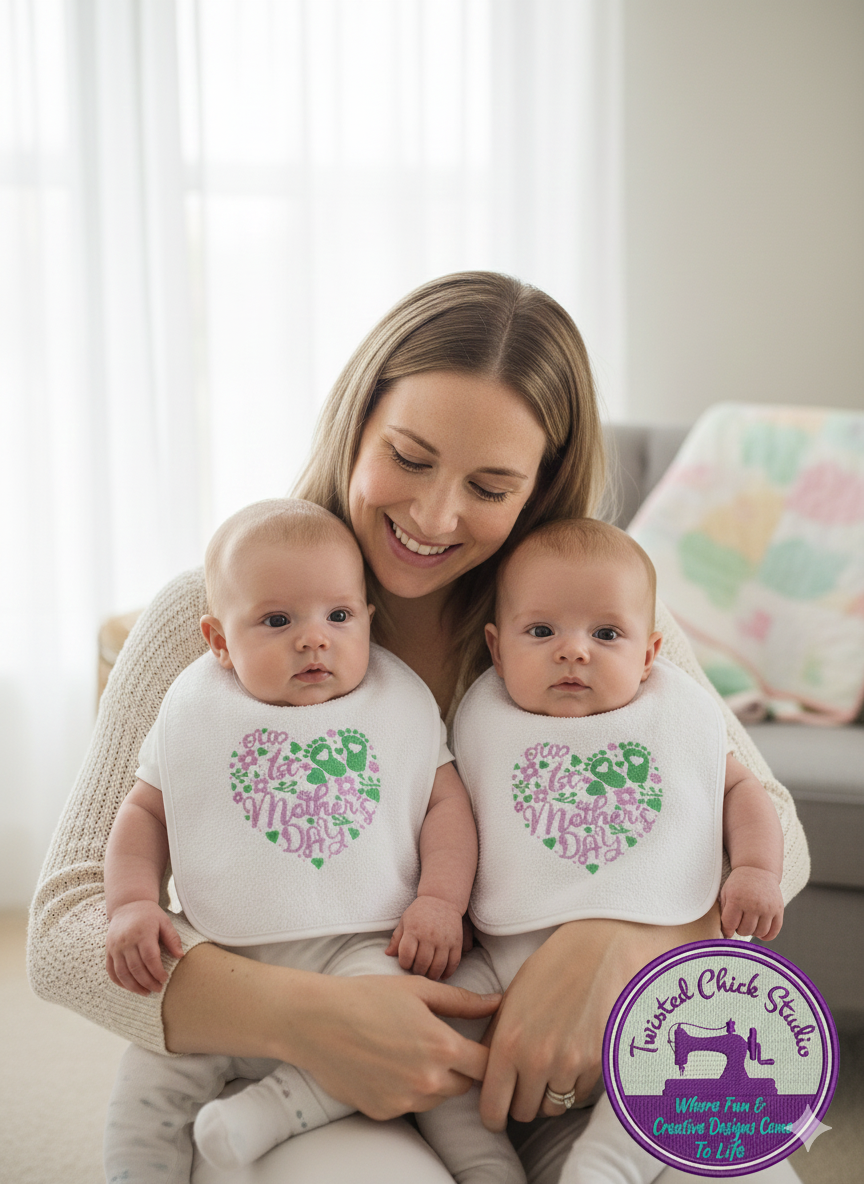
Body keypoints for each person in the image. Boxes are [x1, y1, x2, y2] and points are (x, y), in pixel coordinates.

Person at [29, 272, 809, 1183]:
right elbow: (63, 929)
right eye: (408, 456)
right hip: (321, 1080)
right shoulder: (211, 618)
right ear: (356, 424)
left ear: (540, 488)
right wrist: (312, 1018)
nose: (435, 515)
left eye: (489, 485)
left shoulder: (593, 620)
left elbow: (775, 831)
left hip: (578, 1074)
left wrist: (628, 950)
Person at [102, 496, 522, 1183]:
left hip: (360, 952)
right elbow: (143, 815)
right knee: (147, 1081)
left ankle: (486, 1170)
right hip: (224, 963)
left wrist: (441, 902)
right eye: (276, 621)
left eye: (338, 616)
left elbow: (446, 809)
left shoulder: (395, 704)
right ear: (218, 640)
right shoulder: (199, 710)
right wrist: (132, 905)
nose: (313, 638)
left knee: (429, 1051)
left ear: (367, 619)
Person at [453, 516, 785, 1183]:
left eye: (606, 634)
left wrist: (754, 869)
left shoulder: (673, 713)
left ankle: (607, 1165)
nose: (573, 651)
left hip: (665, 962)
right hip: (510, 967)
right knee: (440, 1032)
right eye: (541, 632)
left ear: (649, 653)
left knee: (700, 1054)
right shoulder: (485, 725)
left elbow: (746, 791)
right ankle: (479, 1160)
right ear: (496, 646)